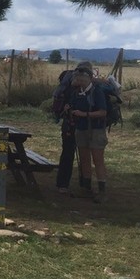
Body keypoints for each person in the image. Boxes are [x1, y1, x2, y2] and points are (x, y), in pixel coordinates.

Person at [67, 65, 109, 202]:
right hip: (81, 128)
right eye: (78, 79)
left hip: (96, 130)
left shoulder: (97, 92)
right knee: (84, 159)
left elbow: (103, 112)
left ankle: (102, 191)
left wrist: (84, 114)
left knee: (98, 160)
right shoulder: (77, 92)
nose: (80, 81)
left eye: (83, 79)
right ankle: (86, 188)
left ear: (90, 79)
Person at [54, 60, 92, 194]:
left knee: (67, 153)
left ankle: (62, 184)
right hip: (82, 124)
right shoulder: (89, 85)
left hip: (68, 124)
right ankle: (85, 183)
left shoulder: (67, 83)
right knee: (85, 154)